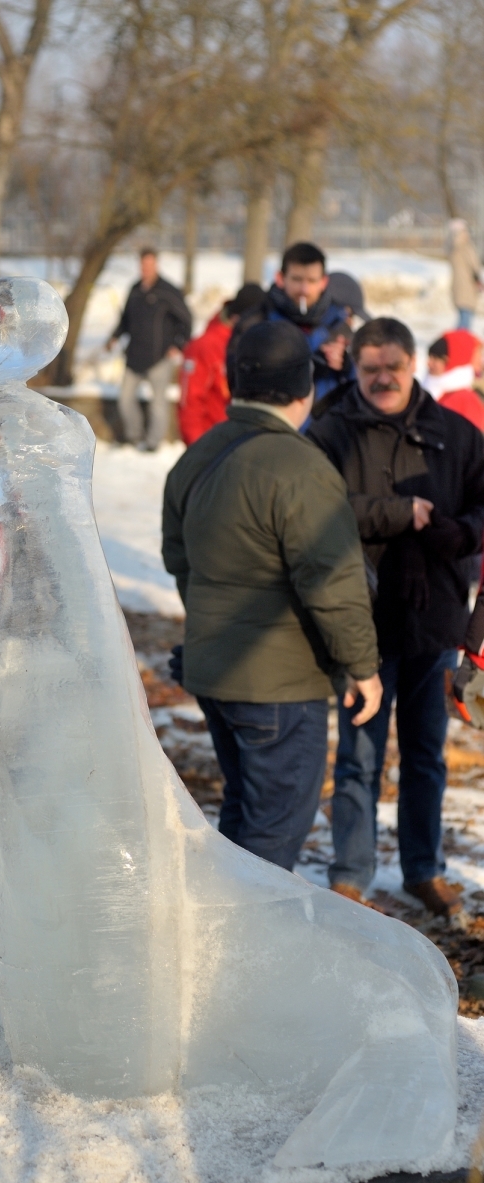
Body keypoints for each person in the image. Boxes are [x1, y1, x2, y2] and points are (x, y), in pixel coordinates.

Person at [162, 321, 382, 872]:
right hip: (279, 686)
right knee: (273, 835)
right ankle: (245, 952)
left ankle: (221, 940)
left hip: (216, 673)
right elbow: (332, 580)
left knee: (242, 820)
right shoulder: (300, 468)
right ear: (305, 387)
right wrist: (362, 665)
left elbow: (179, 560)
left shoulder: (196, 457)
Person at [309, 317, 484, 919]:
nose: (383, 378)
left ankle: (423, 868)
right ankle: (351, 873)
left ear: (415, 366)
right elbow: (318, 508)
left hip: (434, 617)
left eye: (394, 367)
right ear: (355, 368)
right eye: (370, 368)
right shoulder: (331, 432)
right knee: (359, 754)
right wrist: (397, 512)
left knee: (426, 753)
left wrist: (462, 532)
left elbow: (483, 509)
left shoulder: (457, 434)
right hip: (360, 620)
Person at [226, 242, 355, 405]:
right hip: (274, 422)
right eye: (297, 279)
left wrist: (346, 366)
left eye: (312, 281)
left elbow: (361, 385)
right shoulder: (255, 322)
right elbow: (236, 380)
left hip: (327, 426)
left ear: (323, 282)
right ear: (280, 278)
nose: (304, 289)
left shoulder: (339, 323)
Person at [107, 248, 192, 451]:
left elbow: (186, 320)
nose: (146, 269)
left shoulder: (168, 291)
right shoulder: (135, 289)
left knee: (158, 404)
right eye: (143, 265)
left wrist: (178, 345)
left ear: (156, 264)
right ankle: (134, 436)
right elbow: (125, 320)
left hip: (159, 357)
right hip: (134, 355)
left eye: (150, 264)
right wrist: (114, 337)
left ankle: (154, 443)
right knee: (125, 398)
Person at [177, 283, 265, 445]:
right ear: (237, 318)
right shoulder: (206, 346)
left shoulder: (255, 344)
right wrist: (199, 448)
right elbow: (190, 401)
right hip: (214, 444)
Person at [424, 329, 484, 432]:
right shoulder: (433, 390)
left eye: (436, 359)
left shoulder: (464, 400)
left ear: (451, 362)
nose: (429, 363)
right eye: (430, 357)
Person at [449, 219, 483, 331]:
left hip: (458, 287)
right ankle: (459, 344)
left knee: (463, 317)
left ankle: (457, 342)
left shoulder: (453, 247)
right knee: (465, 320)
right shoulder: (466, 247)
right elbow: (474, 265)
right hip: (467, 287)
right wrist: (478, 280)